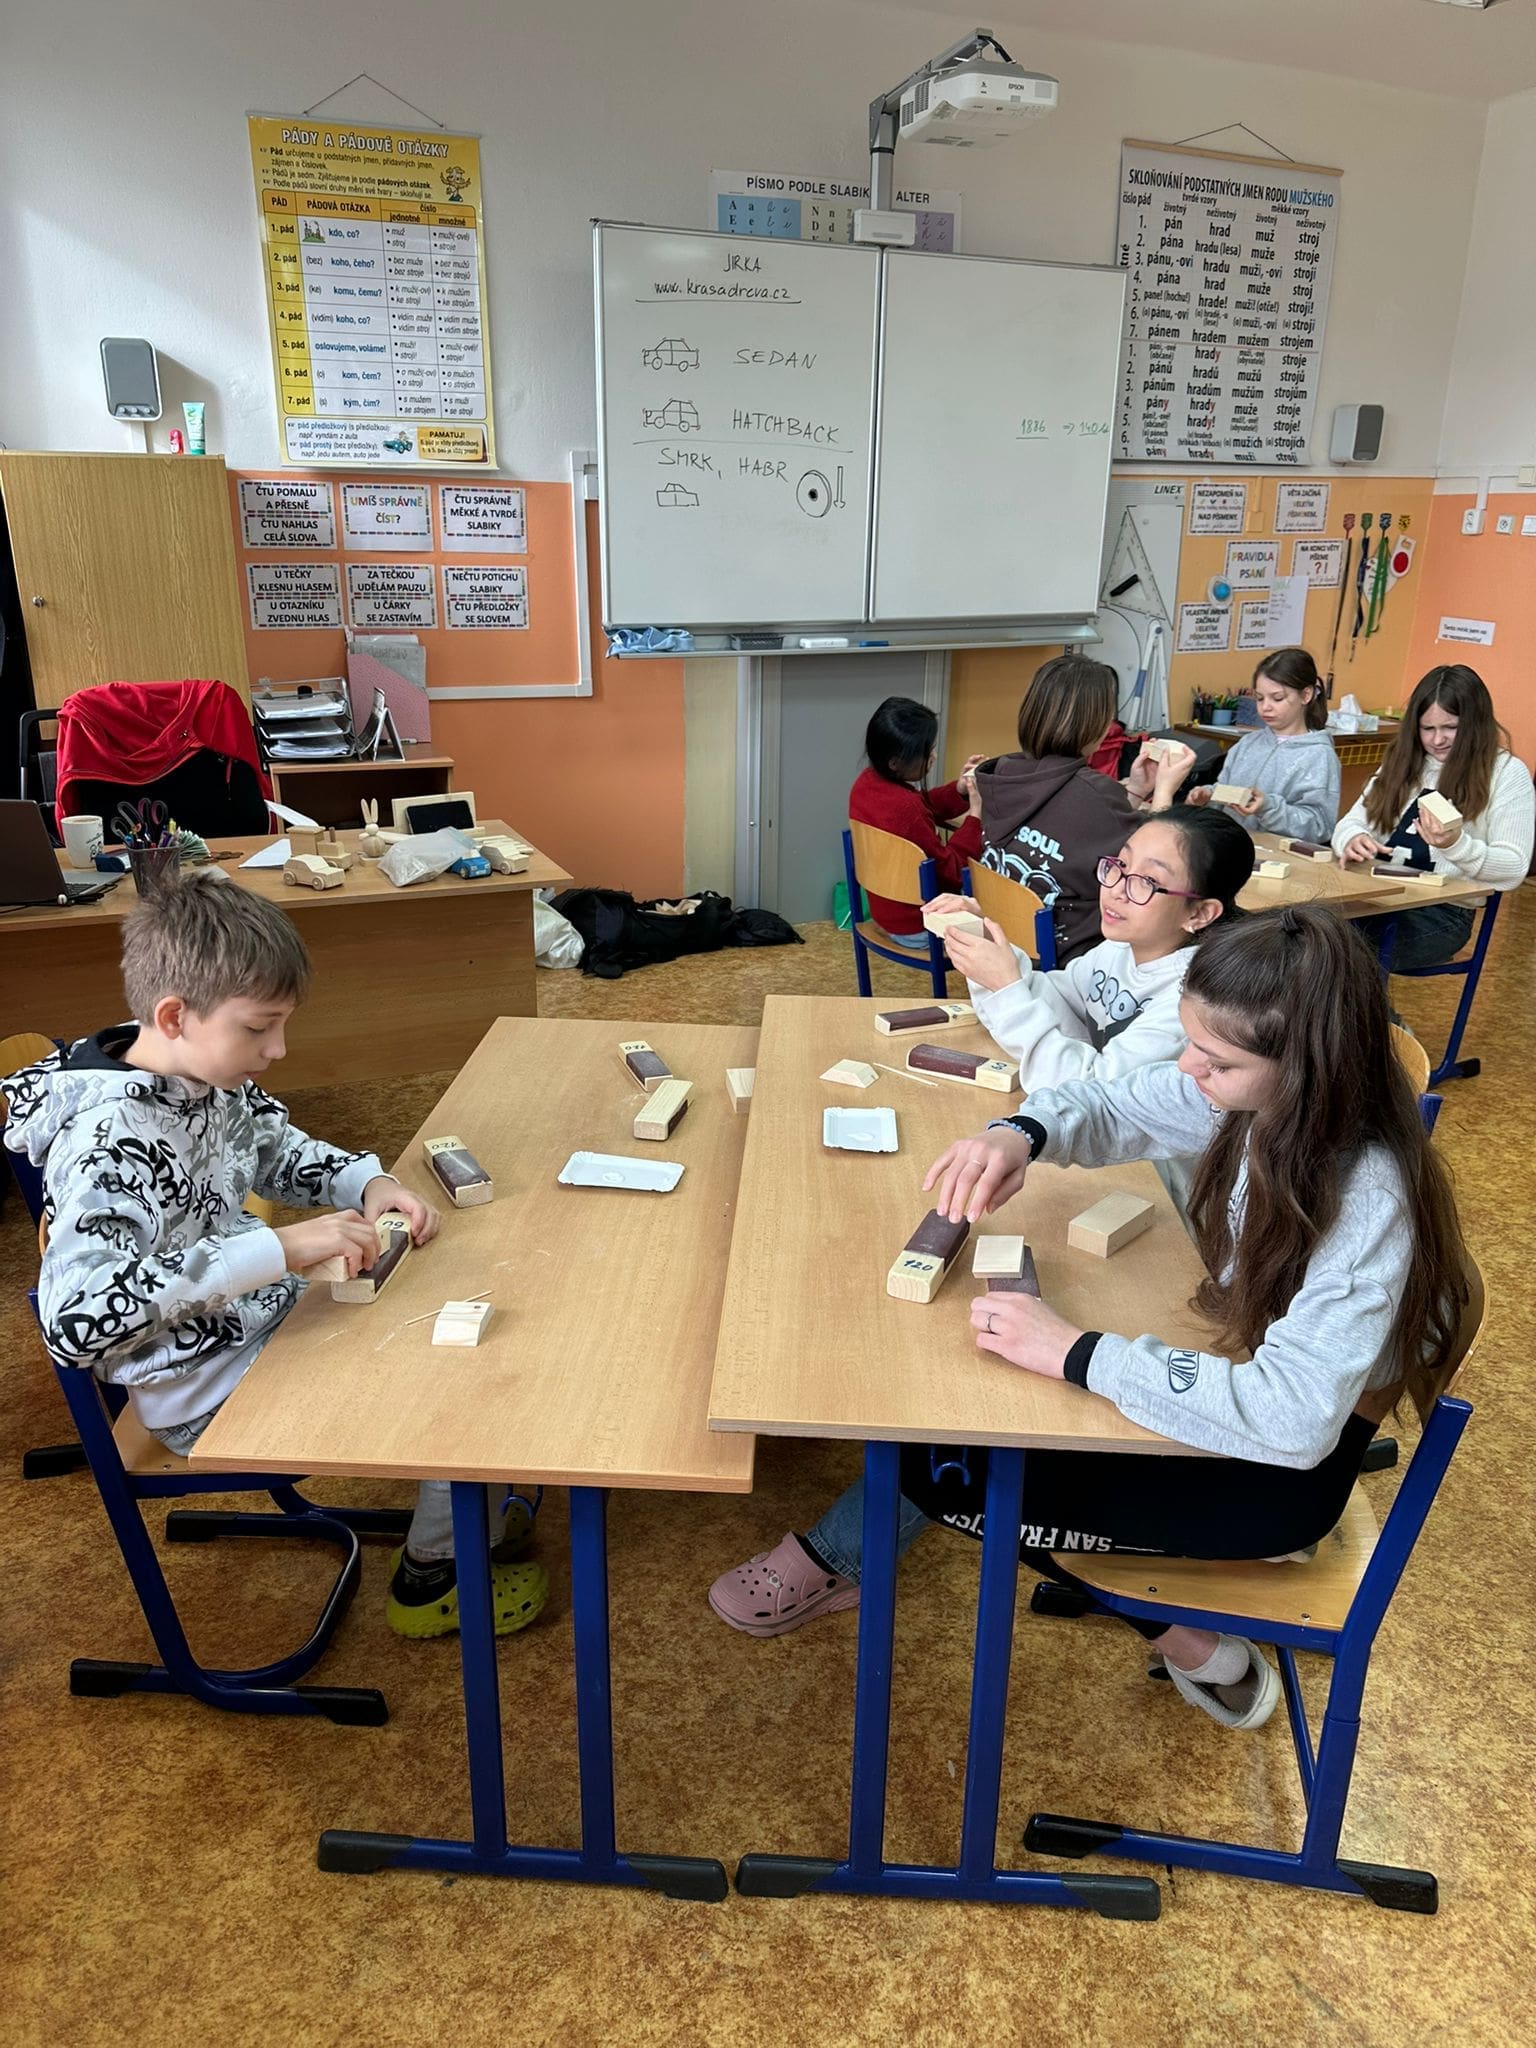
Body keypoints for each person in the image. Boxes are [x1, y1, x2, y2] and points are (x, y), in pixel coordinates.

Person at [898, 905, 1469, 1730]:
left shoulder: (1365, 1195)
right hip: (1247, 1393)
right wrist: (1021, 1131)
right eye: (1190, 1038)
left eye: (1217, 1059)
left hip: (1282, 1474)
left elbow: (1293, 1419)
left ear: (1308, 1066)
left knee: (942, 1472)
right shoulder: (1257, 1095)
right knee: (970, 1434)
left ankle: (1197, 1644)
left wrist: (1078, 1353)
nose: (1189, 1067)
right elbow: (1115, 1103)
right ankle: (1175, 1606)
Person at [707, 806, 1255, 1640]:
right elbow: (1070, 1058)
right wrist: (999, 968)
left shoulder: (1201, 1008)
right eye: (1117, 865)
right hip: (1116, 1180)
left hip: (1167, 1226)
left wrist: (1016, 997)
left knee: (982, 1370)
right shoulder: (1127, 955)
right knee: (930, 1245)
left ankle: (849, 1549)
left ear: (1202, 912)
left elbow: (1095, 1089)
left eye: (1147, 881)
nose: (1116, 888)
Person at [3, 870, 547, 1642]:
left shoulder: (190, 1066)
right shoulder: (107, 1142)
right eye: (260, 1028)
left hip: (254, 1324)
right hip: (203, 1389)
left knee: (455, 1309)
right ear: (175, 1015)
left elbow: (272, 1146)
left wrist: (366, 1183)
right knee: (452, 1379)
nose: (279, 1048)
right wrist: (280, 1247)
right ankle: (438, 1574)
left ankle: (464, 1509)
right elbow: (75, 1324)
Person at [972, 654, 1193, 965]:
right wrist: (1165, 791)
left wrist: (1135, 790)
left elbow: (1081, 829)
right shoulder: (1094, 794)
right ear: (1096, 724)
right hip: (1069, 958)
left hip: (1001, 940)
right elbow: (1154, 863)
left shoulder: (1003, 773)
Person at [1332, 663, 1534, 971]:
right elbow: (1350, 822)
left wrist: (1456, 845)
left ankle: (1364, 1005)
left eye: (1450, 728)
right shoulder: (1404, 761)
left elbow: (1514, 867)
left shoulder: (1506, 773)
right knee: (1304, 930)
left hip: (1441, 913)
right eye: (1428, 729)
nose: (1438, 740)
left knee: (1337, 949)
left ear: (1475, 723)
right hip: (1375, 896)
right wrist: (1352, 837)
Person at [847, 697, 984, 947]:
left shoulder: (865, 784)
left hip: (886, 914)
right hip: (920, 926)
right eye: (926, 752)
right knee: (1004, 922)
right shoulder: (906, 807)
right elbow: (953, 873)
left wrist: (959, 790)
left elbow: (919, 807)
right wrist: (975, 818)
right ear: (895, 763)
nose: (933, 756)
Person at [1188, 647, 1339, 842]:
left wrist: (1268, 807)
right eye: (1259, 698)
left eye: (1277, 698)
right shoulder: (1248, 743)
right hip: (1230, 846)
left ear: (1305, 695)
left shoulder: (1319, 756)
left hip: (1278, 857)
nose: (1265, 707)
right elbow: (1225, 791)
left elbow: (1320, 826)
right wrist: (1208, 795)